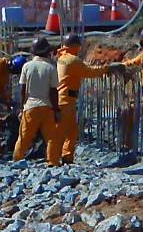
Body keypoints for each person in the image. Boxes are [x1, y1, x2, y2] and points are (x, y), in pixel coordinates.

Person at [55, 33, 117, 164]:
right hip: (66, 100)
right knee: (63, 131)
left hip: (63, 99)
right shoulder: (72, 60)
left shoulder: (61, 57)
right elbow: (90, 72)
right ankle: (56, 158)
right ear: (75, 46)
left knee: (71, 130)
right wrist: (108, 69)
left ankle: (66, 157)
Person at [14, 38, 61, 165]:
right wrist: (56, 109)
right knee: (51, 137)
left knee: (24, 137)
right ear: (47, 52)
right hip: (47, 107)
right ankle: (53, 161)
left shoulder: (27, 66)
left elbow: (23, 89)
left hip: (30, 107)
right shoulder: (51, 68)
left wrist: (21, 107)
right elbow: (53, 91)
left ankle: (17, 159)